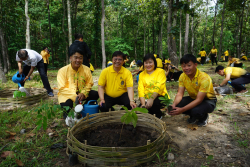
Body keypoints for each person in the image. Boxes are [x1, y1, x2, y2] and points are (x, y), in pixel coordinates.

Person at [169, 54, 217, 127]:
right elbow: (179, 93)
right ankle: (193, 115)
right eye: (184, 66)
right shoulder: (182, 76)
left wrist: (182, 110)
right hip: (194, 98)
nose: (186, 68)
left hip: (208, 100)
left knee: (196, 111)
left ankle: (203, 117)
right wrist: (173, 105)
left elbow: (199, 100)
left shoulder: (204, 78)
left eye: (189, 65)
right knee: (178, 104)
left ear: (195, 65)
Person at [57, 47, 99, 119]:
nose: (78, 60)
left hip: (81, 92)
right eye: (75, 58)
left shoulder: (86, 69)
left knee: (95, 94)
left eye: (80, 58)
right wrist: (75, 96)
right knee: (67, 104)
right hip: (68, 94)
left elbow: (89, 83)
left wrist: (83, 93)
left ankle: (82, 109)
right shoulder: (62, 71)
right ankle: (67, 115)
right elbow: (62, 88)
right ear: (71, 58)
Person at [138, 54, 170, 118]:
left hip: (160, 96)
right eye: (146, 63)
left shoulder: (160, 71)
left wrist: (151, 99)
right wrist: (143, 104)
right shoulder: (141, 74)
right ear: (143, 64)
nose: (148, 65)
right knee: (140, 111)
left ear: (154, 63)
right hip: (147, 98)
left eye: (150, 62)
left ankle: (159, 116)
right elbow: (140, 89)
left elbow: (159, 86)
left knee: (153, 105)